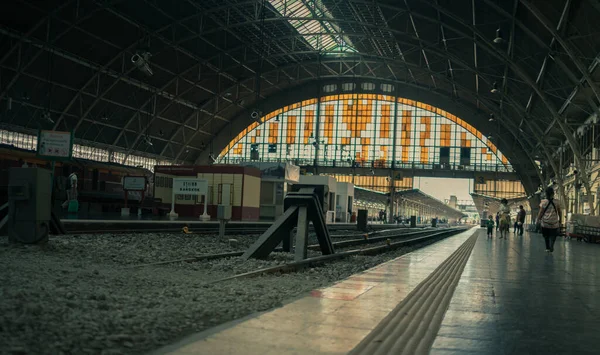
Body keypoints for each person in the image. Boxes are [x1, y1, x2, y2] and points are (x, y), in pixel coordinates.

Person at [537, 187, 562, 253]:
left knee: (546, 236)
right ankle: (552, 245)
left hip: (545, 223)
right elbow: (559, 212)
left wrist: (538, 220)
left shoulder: (543, 202)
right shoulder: (557, 202)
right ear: (553, 193)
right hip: (554, 223)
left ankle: (547, 248)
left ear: (546, 194)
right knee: (553, 235)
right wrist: (560, 220)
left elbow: (541, 212)